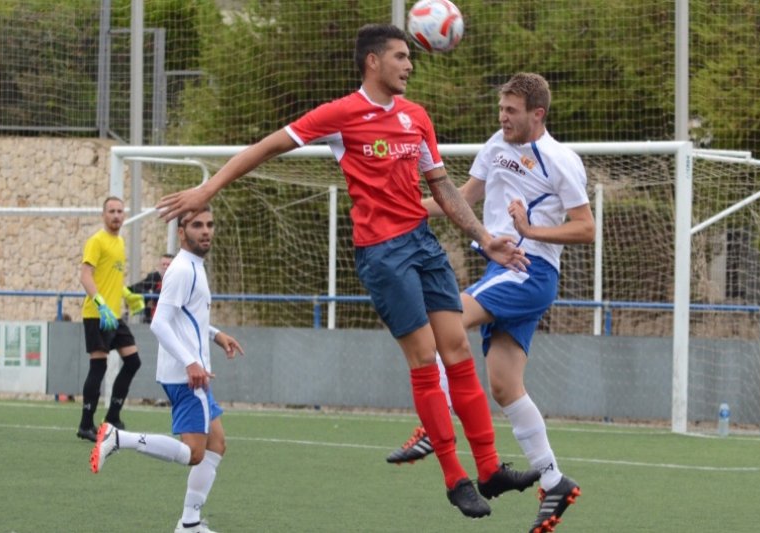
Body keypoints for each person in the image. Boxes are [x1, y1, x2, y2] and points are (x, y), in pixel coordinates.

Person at [156, 24, 538, 519]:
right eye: (401, 56)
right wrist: (208, 191)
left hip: (422, 243)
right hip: (382, 254)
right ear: (373, 62)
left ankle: (488, 469)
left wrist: (485, 239)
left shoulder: (415, 117)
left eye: (410, 57)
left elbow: (443, 188)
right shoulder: (341, 115)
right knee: (425, 359)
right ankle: (454, 477)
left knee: (458, 348)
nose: (409, 65)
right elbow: (266, 147)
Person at [387, 73, 593, 532]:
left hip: (530, 271)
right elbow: (460, 199)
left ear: (537, 114)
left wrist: (530, 230)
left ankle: (432, 428)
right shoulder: (495, 146)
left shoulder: (560, 161)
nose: (503, 117)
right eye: (501, 109)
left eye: (512, 111)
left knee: (443, 325)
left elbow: (586, 228)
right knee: (503, 386)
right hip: (499, 270)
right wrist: (403, 209)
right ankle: (554, 479)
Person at [90, 205, 245, 533]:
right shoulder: (183, 270)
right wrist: (191, 363)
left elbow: (188, 319)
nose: (206, 231)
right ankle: (118, 438)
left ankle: (189, 523)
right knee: (194, 454)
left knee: (217, 444)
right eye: (197, 225)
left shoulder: (194, 266)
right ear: (181, 232)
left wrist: (217, 335)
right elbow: (160, 323)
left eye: (210, 224)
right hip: (188, 374)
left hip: (189, 371)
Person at [77, 196, 146, 441]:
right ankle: (86, 424)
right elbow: (86, 276)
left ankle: (112, 417)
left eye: (120, 211)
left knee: (133, 361)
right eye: (111, 211)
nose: (116, 215)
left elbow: (110, 278)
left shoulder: (119, 242)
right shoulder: (97, 241)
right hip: (98, 314)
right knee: (99, 366)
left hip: (115, 315)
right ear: (103, 215)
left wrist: (127, 294)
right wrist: (101, 305)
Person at [129, 253, 174, 323]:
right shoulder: (154, 277)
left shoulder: (177, 279)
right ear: (159, 266)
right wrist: (148, 294)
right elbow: (133, 288)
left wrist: (154, 295)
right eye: (163, 264)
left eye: (168, 265)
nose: (165, 267)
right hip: (151, 319)